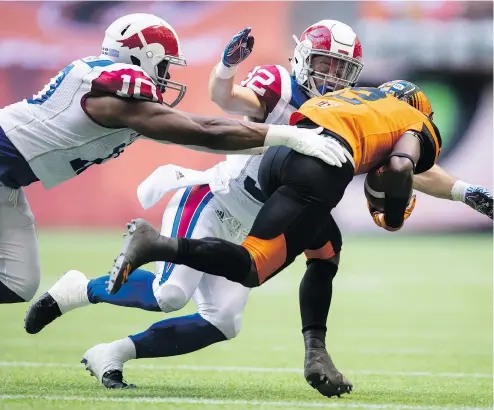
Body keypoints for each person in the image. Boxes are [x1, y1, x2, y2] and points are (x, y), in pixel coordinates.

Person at [105, 81, 444, 397]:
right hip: (322, 165)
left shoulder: (361, 99)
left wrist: (464, 193)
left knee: (327, 251)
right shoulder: (417, 121)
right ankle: (157, 244)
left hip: (281, 154)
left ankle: (317, 352)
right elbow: (400, 166)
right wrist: (396, 216)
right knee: (253, 266)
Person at [0, 14, 348, 304]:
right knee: (171, 293)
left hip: (9, 183)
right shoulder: (117, 89)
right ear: (143, 56)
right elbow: (202, 131)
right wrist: (289, 136)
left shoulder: (114, 91)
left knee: (18, 283)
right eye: (164, 64)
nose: (167, 75)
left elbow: (202, 136)